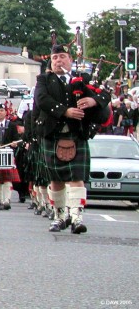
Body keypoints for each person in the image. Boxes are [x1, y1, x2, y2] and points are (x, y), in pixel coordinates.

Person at [34, 44, 110, 234]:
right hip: (53, 133)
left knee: (77, 178)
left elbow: (105, 94)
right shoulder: (44, 79)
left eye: (62, 57)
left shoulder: (83, 79)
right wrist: (65, 111)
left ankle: (77, 218)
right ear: (51, 62)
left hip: (77, 134)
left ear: (69, 59)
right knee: (55, 179)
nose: (58, 61)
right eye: (55, 58)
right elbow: (41, 100)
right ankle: (60, 217)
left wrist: (94, 101)